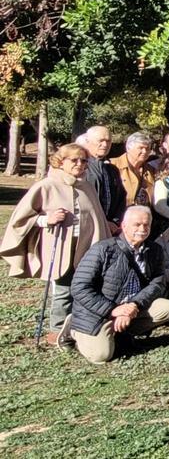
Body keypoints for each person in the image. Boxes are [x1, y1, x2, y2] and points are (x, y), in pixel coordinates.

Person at [1, 143, 110, 345]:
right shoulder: (47, 185)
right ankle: (56, 330)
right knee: (63, 289)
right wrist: (46, 219)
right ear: (61, 161)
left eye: (84, 161)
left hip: (86, 246)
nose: (80, 164)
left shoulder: (86, 186)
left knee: (86, 287)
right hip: (61, 247)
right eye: (74, 160)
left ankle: (79, 327)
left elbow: (97, 218)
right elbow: (21, 218)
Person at [68, 206, 169, 364]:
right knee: (101, 356)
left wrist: (134, 305)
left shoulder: (155, 250)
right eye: (137, 224)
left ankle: (121, 332)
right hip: (96, 314)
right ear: (124, 225)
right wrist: (113, 310)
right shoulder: (103, 249)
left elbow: (157, 282)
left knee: (168, 308)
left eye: (146, 225)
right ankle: (74, 331)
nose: (142, 229)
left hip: (131, 308)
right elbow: (79, 287)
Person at [81, 126, 125, 233]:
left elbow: (121, 198)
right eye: (101, 141)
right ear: (87, 142)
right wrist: (101, 222)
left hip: (109, 229)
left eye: (108, 141)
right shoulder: (80, 167)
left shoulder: (112, 169)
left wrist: (114, 222)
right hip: (87, 228)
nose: (105, 145)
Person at [111, 132, 155, 208]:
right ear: (128, 148)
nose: (144, 152)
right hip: (120, 216)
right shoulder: (112, 165)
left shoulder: (151, 170)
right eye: (141, 148)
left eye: (147, 149)